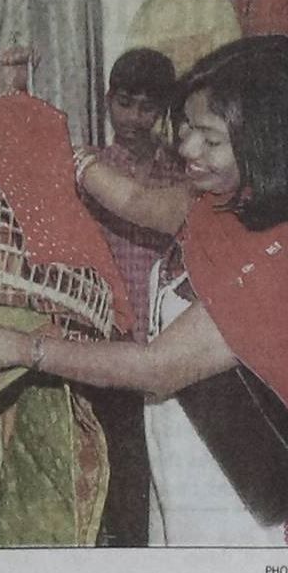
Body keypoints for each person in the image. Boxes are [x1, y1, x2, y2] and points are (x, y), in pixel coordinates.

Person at [0, 35, 288, 546]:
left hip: (252, 507)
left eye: (211, 140)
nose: (187, 148)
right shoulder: (227, 202)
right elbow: (136, 201)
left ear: (272, 144)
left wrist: (25, 349)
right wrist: (57, 146)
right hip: (189, 466)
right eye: (187, 127)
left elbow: (157, 367)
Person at [81, 48, 183, 546]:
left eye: (148, 107)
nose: (135, 118)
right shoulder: (90, 172)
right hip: (112, 348)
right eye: (125, 103)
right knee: (120, 482)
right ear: (108, 102)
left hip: (171, 348)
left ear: (164, 110)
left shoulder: (182, 174)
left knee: (169, 480)